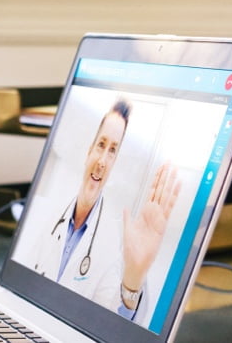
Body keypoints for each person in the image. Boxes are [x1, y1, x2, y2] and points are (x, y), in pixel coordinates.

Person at [23, 99, 182, 324]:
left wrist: (133, 279)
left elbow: (113, 325)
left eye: (113, 150)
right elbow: (20, 284)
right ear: (90, 150)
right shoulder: (48, 212)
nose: (102, 161)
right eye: (101, 145)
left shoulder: (112, 242)